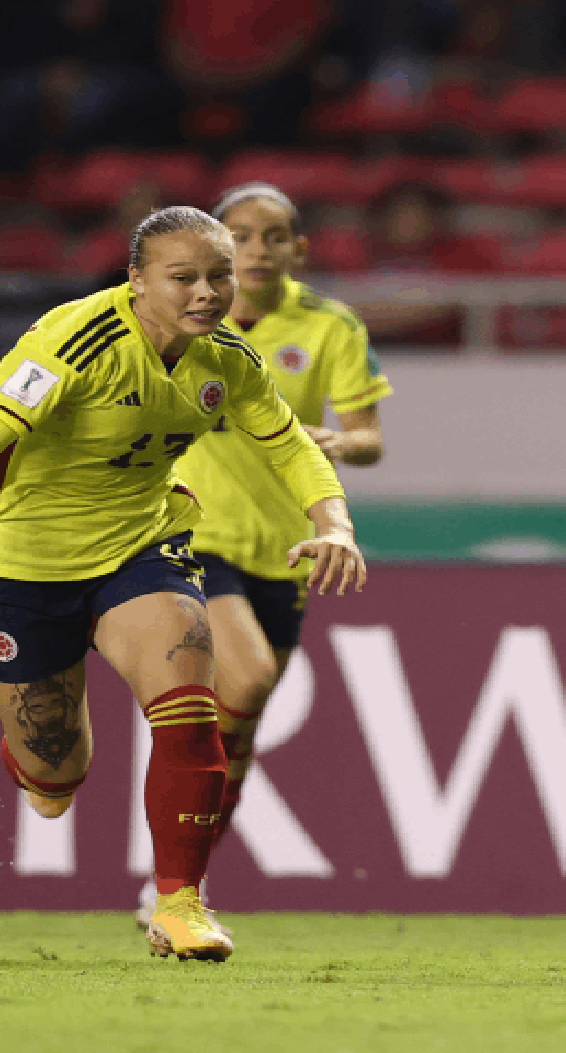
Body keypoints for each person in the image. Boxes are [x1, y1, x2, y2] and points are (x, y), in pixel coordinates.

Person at [0, 205, 367, 963]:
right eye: (183, 278)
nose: (206, 293)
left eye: (218, 277)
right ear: (137, 281)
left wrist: (335, 525)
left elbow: (290, 444)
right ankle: (38, 769)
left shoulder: (226, 360)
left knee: (192, 705)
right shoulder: (72, 342)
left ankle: (179, 905)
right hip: (17, 562)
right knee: (57, 767)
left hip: (139, 549)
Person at [129, 183, 392, 926]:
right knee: (247, 675)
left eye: (273, 236)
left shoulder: (330, 326)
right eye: (240, 235)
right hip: (192, 533)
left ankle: (182, 886)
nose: (255, 249)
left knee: (238, 727)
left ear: (298, 249)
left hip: (288, 546)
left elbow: (368, 435)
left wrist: (342, 442)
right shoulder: (175, 322)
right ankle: (176, 879)